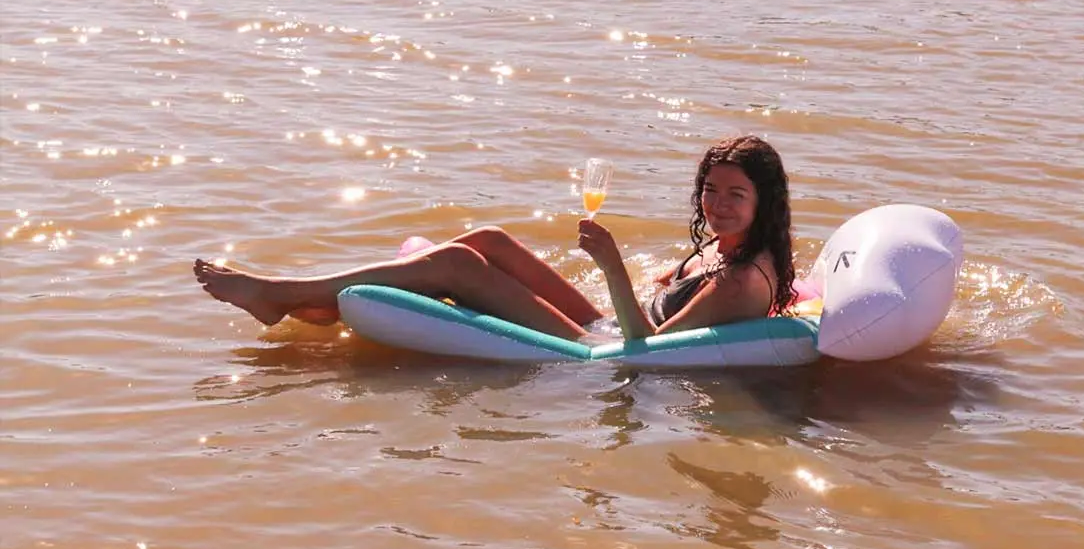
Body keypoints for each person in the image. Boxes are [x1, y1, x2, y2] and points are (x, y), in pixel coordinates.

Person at [192, 135, 796, 343]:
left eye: (734, 196)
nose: (716, 205)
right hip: (611, 323)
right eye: (710, 190)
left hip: (604, 347)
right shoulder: (728, 247)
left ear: (763, 203)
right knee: (491, 238)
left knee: (458, 263)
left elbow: (649, 350)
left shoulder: (743, 278)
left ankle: (279, 292)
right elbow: (658, 304)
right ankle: (310, 297)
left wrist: (611, 263)